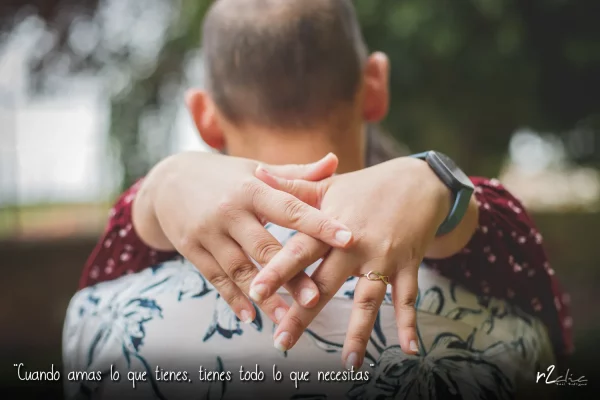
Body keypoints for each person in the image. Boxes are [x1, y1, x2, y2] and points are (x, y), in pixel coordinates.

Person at [63, 0, 570, 398]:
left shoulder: (105, 320)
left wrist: (156, 187)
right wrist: (441, 179)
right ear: (375, 85)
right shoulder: (507, 317)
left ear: (204, 116)